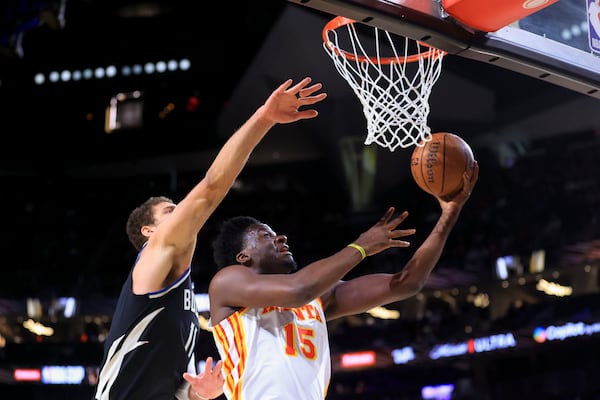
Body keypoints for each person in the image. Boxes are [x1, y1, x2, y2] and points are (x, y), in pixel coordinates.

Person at [92, 77, 328, 400]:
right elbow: (211, 188)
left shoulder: (181, 297)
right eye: (170, 211)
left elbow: (171, 386)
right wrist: (264, 118)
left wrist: (196, 393)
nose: (181, 214)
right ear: (149, 231)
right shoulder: (155, 252)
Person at [208, 162, 479, 399]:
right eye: (265, 235)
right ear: (242, 256)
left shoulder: (317, 297)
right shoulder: (227, 282)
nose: (281, 238)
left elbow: (406, 283)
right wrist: (361, 246)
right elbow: (299, 289)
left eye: (276, 233)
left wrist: (449, 213)